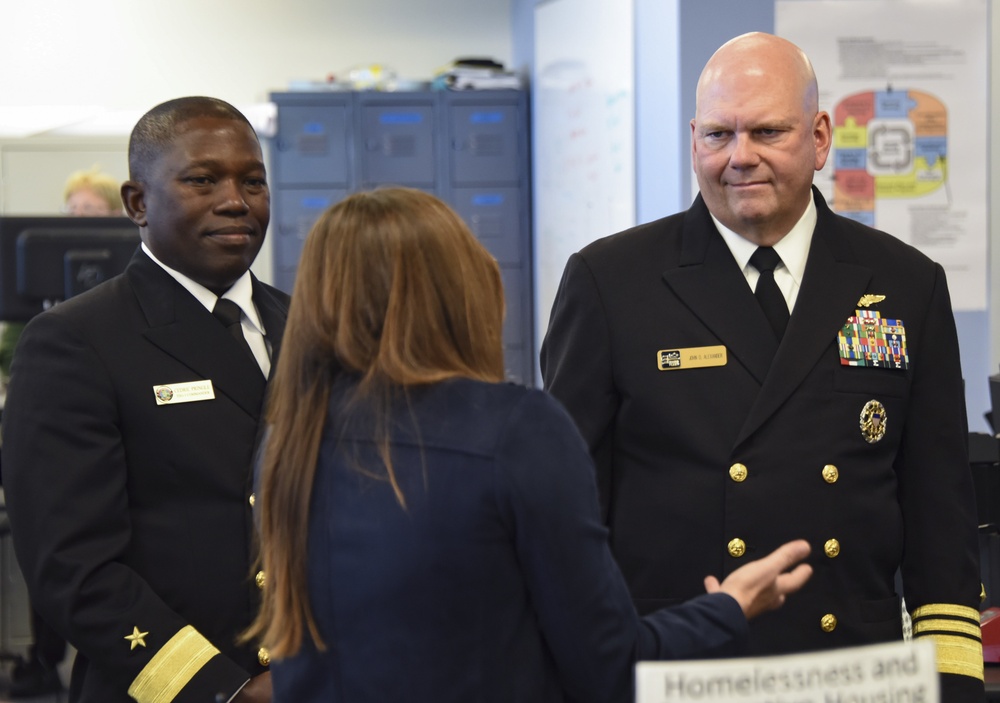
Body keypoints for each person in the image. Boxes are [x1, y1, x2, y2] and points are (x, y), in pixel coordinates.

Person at [541, 31, 984, 700]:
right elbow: (569, 518)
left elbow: (939, 518)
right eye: (719, 134)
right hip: (683, 668)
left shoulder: (905, 284)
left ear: (821, 136)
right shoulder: (611, 283)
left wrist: (952, 684)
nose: (739, 157)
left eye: (768, 132)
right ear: (693, 140)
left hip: (852, 673)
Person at [245, 187, 812, 703]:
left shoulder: (289, 440)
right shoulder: (515, 430)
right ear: (464, 289)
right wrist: (729, 608)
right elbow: (610, 665)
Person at [1, 96, 289, 702]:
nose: (236, 200)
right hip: (168, 686)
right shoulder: (78, 341)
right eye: (203, 180)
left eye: (252, 181)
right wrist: (223, 690)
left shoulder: (308, 326)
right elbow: (71, 567)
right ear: (137, 203)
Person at [0, 166, 124, 698]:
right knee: (51, 534)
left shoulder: (126, 311)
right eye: (73, 213)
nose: (80, 223)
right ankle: (43, 657)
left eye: (91, 213)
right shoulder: (35, 327)